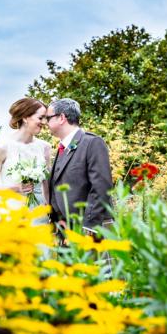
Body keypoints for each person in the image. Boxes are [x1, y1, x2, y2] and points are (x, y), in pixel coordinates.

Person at [43, 98, 113, 235]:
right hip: (66, 230)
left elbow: (101, 186)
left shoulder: (92, 143)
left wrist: (90, 227)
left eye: (48, 118)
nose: (45, 123)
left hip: (91, 229)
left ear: (61, 118)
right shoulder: (63, 147)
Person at [0, 97, 53, 224]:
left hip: (38, 213)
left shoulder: (45, 148)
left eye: (45, 118)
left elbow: (47, 183)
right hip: (11, 213)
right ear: (25, 117)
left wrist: (51, 210)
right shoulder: (3, 148)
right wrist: (15, 188)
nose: (44, 122)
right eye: (40, 117)